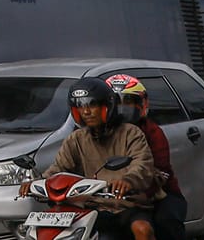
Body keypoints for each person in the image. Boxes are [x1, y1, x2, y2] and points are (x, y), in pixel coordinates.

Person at [46, 82, 160, 240]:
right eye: (80, 106)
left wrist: (128, 180)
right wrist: (38, 183)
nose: (86, 111)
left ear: (108, 106)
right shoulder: (75, 139)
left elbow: (142, 165)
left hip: (126, 205)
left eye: (92, 105)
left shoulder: (131, 133)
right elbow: (58, 168)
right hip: (93, 206)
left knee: (142, 229)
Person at [106, 75, 183, 240]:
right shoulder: (92, 134)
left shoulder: (153, 132)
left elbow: (160, 171)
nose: (122, 108)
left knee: (165, 222)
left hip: (155, 195)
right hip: (109, 199)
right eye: (117, 103)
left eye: (129, 102)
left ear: (142, 104)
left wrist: (134, 188)